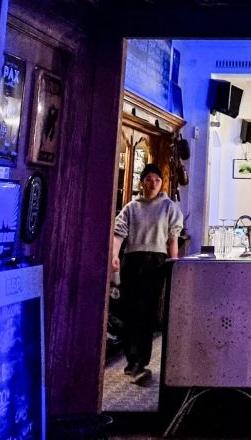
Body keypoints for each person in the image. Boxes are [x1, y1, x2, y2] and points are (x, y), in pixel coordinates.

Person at [111, 162, 183, 385]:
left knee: (149, 311)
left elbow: (172, 238)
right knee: (130, 310)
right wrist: (114, 256)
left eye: (157, 180)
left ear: (162, 184)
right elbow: (118, 234)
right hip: (133, 260)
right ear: (142, 182)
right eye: (149, 179)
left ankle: (140, 360)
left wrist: (174, 262)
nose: (153, 184)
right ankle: (132, 361)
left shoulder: (168, 207)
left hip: (156, 261)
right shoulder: (131, 208)